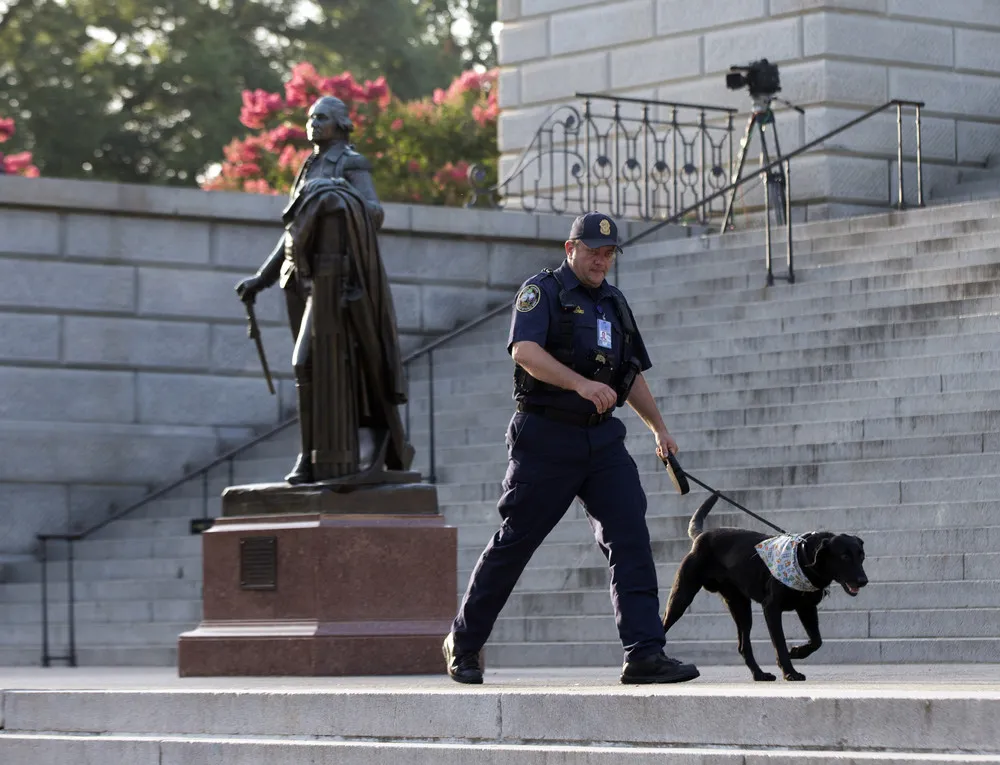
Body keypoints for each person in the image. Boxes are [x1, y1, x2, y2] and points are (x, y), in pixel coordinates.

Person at [442, 211, 700, 685]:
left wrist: (658, 428)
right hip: (546, 436)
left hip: (602, 440)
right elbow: (524, 350)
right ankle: (465, 642)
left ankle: (644, 651)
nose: (602, 260)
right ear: (570, 248)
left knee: (629, 537)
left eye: (608, 253)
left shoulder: (615, 304)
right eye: (593, 251)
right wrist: (580, 384)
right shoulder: (543, 292)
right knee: (516, 542)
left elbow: (631, 373)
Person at [235, 95, 409, 483]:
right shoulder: (309, 165)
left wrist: (336, 193)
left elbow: (374, 212)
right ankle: (310, 458)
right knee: (310, 372)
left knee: (306, 363)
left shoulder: (350, 162)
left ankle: (322, 455)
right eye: (310, 117)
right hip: (298, 280)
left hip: (336, 283)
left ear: (341, 123)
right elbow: (294, 232)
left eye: (322, 117)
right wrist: (261, 279)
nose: (313, 123)